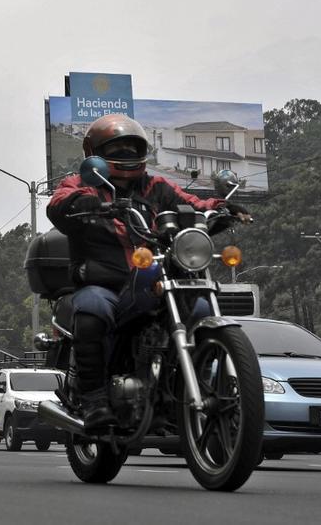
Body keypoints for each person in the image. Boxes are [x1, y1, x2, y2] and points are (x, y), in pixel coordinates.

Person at [46, 114, 249, 429]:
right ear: (94, 152)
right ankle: (94, 399)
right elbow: (58, 204)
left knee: (199, 308)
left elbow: (191, 203)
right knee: (93, 309)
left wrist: (221, 208)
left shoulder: (156, 186)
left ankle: (187, 386)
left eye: (132, 147)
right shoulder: (81, 183)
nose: (127, 154)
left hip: (155, 277)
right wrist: (83, 203)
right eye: (118, 148)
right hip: (105, 283)